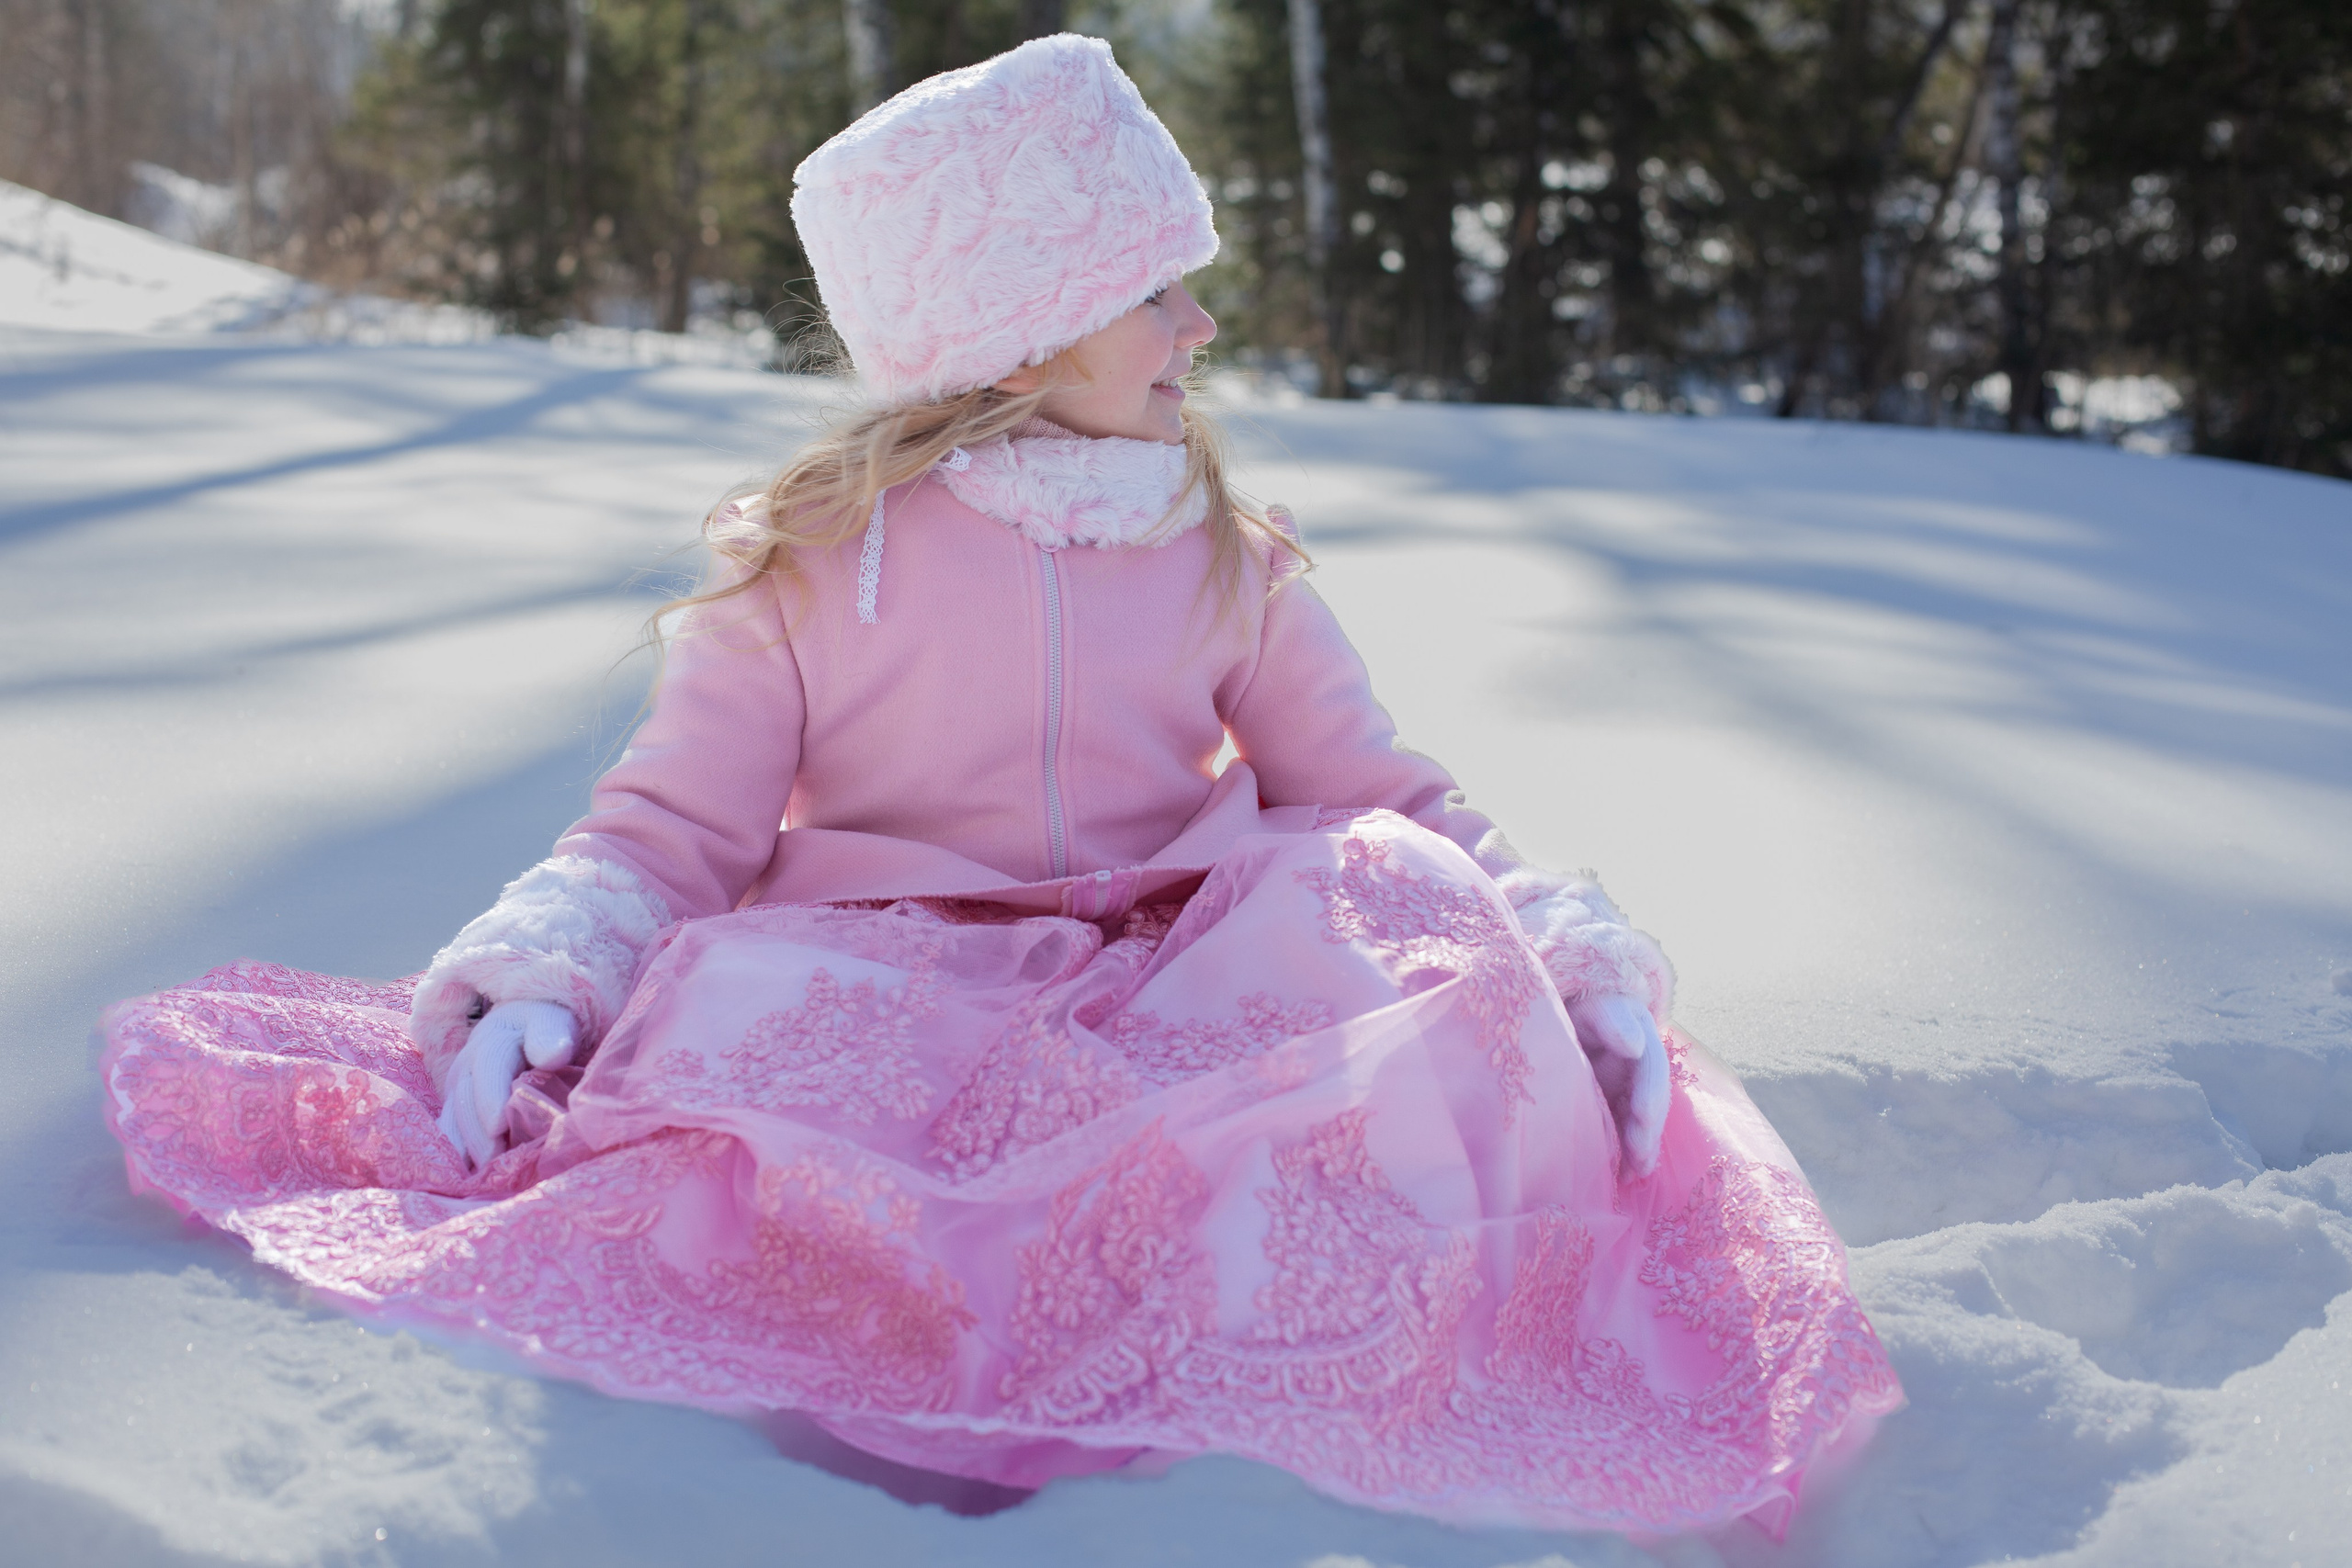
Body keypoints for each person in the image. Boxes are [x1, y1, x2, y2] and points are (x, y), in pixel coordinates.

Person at [99, 33, 1900, 1540]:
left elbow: (1390, 795)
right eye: (1154, 290)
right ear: (1021, 325)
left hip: (1177, 962)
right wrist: (541, 977)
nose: (1198, 326)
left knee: (1397, 917)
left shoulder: (1221, 551)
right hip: (886, 976)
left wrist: (1561, 949)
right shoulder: (808, 566)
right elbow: (664, 833)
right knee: (803, 1099)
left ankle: (1306, 1319)